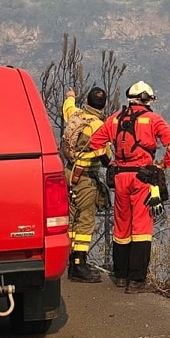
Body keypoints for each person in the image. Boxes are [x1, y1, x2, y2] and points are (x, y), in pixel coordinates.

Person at [88, 81, 170, 293]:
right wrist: (163, 165)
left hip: (120, 178)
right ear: (148, 100)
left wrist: (109, 163)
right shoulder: (154, 119)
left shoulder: (115, 119)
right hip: (143, 178)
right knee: (141, 227)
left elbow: (96, 142)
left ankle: (120, 276)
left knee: (121, 227)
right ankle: (136, 281)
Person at [61, 86, 110, 283]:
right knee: (86, 219)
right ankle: (79, 264)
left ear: (87, 102)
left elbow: (68, 107)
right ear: (103, 105)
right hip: (85, 177)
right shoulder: (99, 126)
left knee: (72, 216)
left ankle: (70, 258)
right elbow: (105, 154)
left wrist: (71, 96)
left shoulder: (75, 115)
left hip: (68, 172)